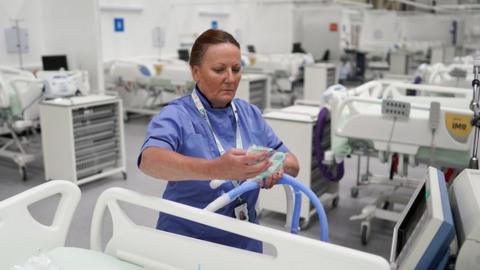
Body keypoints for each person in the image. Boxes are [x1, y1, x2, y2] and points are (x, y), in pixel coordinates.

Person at [138, 29, 299, 253]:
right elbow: (149, 161)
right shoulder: (177, 115)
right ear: (195, 72)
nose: (230, 79)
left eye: (236, 69)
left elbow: (293, 164)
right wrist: (216, 169)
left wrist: (273, 166)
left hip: (243, 239)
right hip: (186, 240)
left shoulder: (248, 113)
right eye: (219, 70)